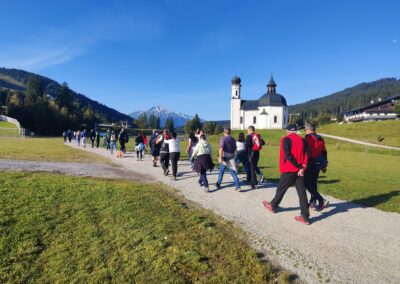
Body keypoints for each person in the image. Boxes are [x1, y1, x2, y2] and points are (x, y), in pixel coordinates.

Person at [262, 124, 311, 225]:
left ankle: (273, 206)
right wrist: (303, 167)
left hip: (289, 169)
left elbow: (287, 155)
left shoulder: (285, 139)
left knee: (281, 188)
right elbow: (308, 154)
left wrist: (298, 166)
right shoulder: (302, 140)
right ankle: (305, 217)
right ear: (296, 131)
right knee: (302, 193)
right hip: (300, 170)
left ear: (287, 131)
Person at [304, 124, 329, 211]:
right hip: (319, 164)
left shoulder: (308, 137)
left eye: (305, 129)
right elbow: (324, 152)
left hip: (311, 164)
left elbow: (307, 151)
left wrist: (305, 163)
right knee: (313, 183)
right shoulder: (320, 138)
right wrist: (325, 165)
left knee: (306, 183)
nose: (305, 131)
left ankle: (321, 200)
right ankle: (313, 203)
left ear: (309, 130)